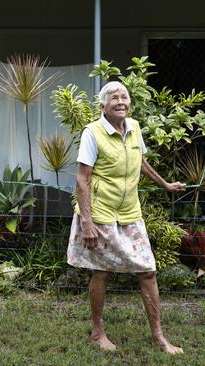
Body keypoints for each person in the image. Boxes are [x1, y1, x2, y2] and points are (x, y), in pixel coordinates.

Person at [67, 81, 186, 354]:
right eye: (113, 98)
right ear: (103, 106)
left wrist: (165, 184)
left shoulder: (133, 128)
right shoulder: (92, 133)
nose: (120, 101)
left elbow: (141, 162)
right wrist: (87, 221)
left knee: (148, 270)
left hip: (130, 212)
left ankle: (159, 337)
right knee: (102, 271)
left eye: (124, 97)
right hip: (101, 214)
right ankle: (98, 332)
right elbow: (83, 181)